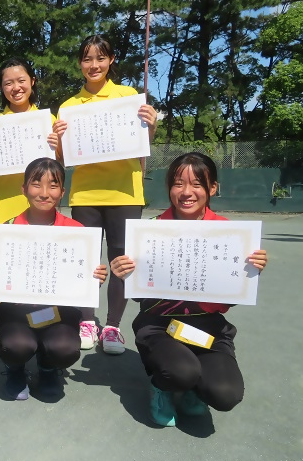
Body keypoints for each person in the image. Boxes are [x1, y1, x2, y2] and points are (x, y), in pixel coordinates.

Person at [109, 152, 268, 426]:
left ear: (213, 188)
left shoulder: (230, 234)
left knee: (225, 394)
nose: (186, 192)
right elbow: (139, 295)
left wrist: (250, 271)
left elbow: (229, 300)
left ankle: (198, 390)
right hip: (159, 324)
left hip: (208, 327)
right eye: (178, 183)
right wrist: (124, 275)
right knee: (180, 372)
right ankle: (161, 385)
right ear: (169, 187)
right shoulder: (150, 231)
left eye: (196, 184)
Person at [57, 34, 158, 355]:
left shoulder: (129, 97)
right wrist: (58, 139)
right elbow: (60, 159)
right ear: (79, 64)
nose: (94, 65)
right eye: (87, 59)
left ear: (111, 60)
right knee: (86, 260)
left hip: (126, 193)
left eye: (100, 58)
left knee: (121, 262)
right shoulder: (69, 107)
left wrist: (151, 125)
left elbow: (144, 142)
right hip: (85, 194)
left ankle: (112, 326)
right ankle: (87, 321)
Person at [0, 158, 108, 400]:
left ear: (63, 192)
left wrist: (95, 278)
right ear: (24, 189)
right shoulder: (7, 229)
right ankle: (15, 369)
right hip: (16, 313)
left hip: (58, 314)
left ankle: (48, 369)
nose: (44, 193)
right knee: (15, 345)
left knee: (65, 348)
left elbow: (83, 280)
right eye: (36, 184)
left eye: (53, 185)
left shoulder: (78, 232)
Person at [0, 58, 64, 224]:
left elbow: (61, 163)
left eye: (21, 81)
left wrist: (58, 146)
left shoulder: (49, 120)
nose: (16, 88)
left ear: (32, 81)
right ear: (1, 88)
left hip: (41, 206)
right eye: (8, 83)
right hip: (3, 206)